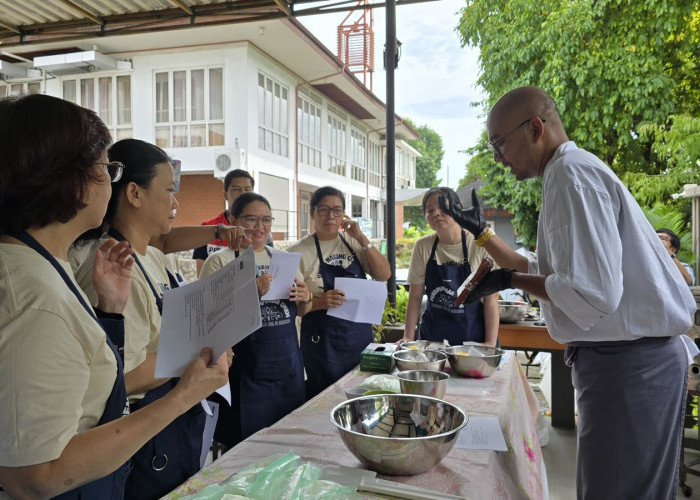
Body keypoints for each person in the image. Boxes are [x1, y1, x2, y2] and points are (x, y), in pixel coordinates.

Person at [442, 86, 696, 499]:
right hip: (631, 361)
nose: (497, 157)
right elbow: (542, 269)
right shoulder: (570, 171)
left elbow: (592, 293)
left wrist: (508, 282)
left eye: (499, 143)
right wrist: (483, 234)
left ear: (536, 128)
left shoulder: (569, 175)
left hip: (629, 366)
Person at [0, 94, 229, 499]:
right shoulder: (37, 297)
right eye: (107, 168)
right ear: (68, 179)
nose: (112, 179)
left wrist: (109, 313)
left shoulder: (45, 265)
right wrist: (182, 396)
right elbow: (36, 475)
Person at [74, 139, 243, 499]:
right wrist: (200, 354)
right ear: (134, 193)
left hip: (170, 424)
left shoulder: (153, 255)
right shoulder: (112, 266)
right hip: (142, 435)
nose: (175, 202)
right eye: (169, 190)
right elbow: (124, 377)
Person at [200, 192, 311, 449]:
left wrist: (305, 297)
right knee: (245, 452)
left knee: (287, 447)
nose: (260, 227)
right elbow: (207, 320)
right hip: (245, 374)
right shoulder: (219, 262)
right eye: (251, 219)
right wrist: (252, 292)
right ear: (233, 219)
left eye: (266, 220)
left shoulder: (283, 260)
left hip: (288, 369)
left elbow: (302, 310)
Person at [288, 186, 391, 399]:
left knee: (363, 399)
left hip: (359, 339)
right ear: (313, 213)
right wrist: (319, 302)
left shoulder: (353, 242)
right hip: (322, 345)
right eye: (324, 209)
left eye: (337, 210)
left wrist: (361, 237)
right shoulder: (297, 252)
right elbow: (294, 309)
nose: (331, 216)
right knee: (324, 402)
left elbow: (384, 274)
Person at [401, 187, 499, 346]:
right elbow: (415, 296)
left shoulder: (480, 243)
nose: (436, 213)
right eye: (430, 210)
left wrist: (489, 343)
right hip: (433, 339)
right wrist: (408, 337)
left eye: (442, 207)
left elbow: (491, 298)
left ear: (458, 209)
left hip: (474, 338)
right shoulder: (423, 246)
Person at [192, 169, 273, 276]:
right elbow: (203, 277)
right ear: (225, 195)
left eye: (247, 189)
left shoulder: (262, 230)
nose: (243, 193)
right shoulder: (209, 228)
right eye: (236, 189)